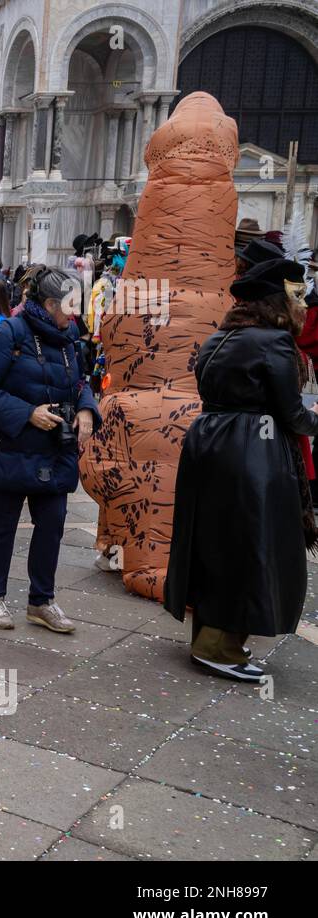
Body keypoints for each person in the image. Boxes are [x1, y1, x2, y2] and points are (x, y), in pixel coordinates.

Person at [165, 259, 318, 682]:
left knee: (215, 542)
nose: (303, 307)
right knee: (249, 547)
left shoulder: (220, 336)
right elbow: (290, 414)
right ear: (278, 301)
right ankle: (219, 648)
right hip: (253, 452)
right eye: (297, 297)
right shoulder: (275, 343)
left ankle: (212, 640)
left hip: (209, 443)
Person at [0, 267, 99, 635]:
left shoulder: (70, 337)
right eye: (70, 305)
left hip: (55, 449)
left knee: (52, 526)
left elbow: (81, 383)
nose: (75, 313)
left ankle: (42, 600)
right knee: (2, 527)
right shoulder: (9, 331)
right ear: (50, 303)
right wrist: (27, 413)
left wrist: (87, 407)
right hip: (10, 447)